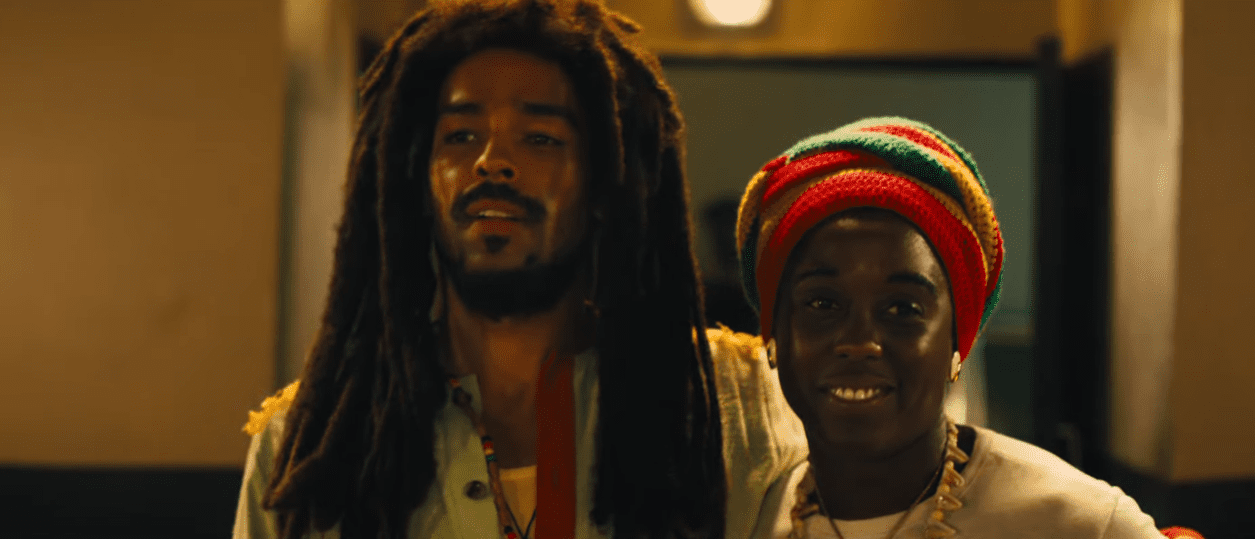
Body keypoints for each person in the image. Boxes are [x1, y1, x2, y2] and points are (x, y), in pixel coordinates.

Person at [233, 1, 805, 538]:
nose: (492, 162)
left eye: (540, 138)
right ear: (418, 182)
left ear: (604, 183)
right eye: (461, 135)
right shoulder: (308, 448)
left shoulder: (734, 414)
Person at [735, 117, 1168, 538]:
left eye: (902, 308)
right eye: (822, 303)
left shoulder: (1082, 522)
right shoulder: (744, 515)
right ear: (773, 336)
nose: (860, 341)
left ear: (957, 344)